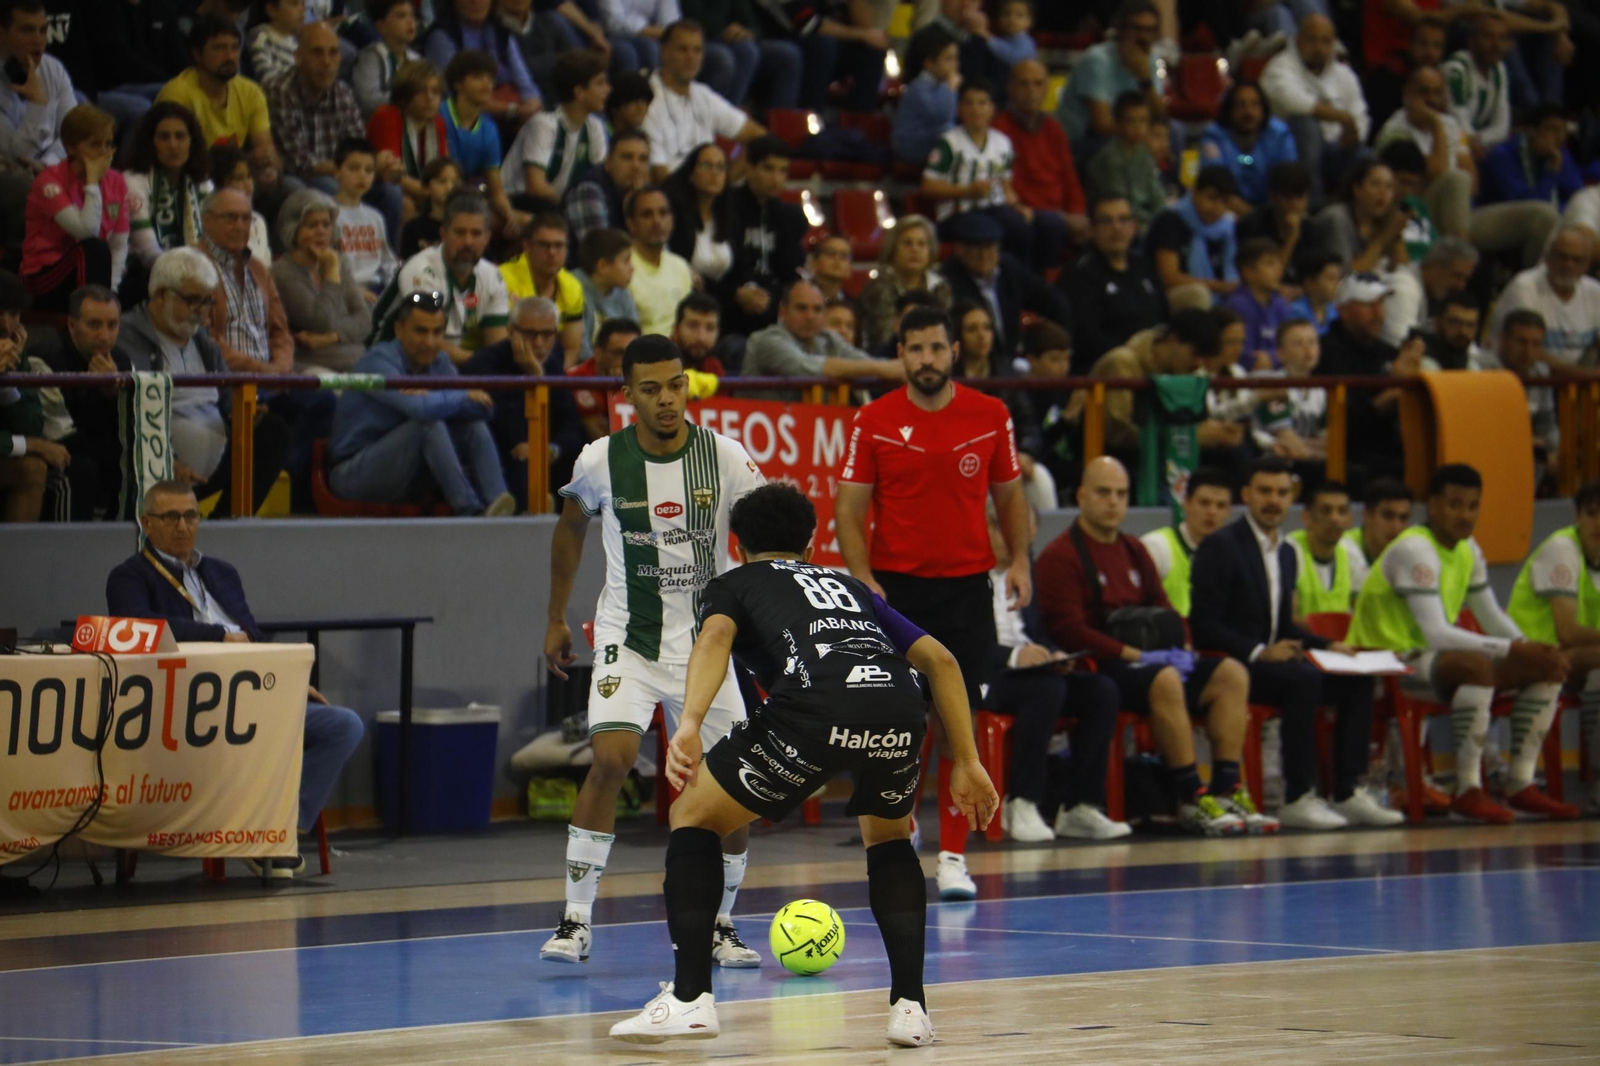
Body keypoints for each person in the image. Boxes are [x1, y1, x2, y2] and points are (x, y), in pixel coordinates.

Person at [606, 482, 993, 1047]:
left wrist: (688, 722)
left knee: (694, 815)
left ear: (738, 546)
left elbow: (714, 636)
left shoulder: (734, 583)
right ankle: (911, 1010)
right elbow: (941, 660)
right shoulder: (849, 584)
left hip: (812, 711)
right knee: (888, 840)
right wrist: (967, 760)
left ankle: (690, 1000)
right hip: (898, 710)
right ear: (811, 547)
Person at [542, 334, 767, 969]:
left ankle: (722, 923)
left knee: (730, 780)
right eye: (651, 389)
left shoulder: (724, 457)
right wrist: (556, 616)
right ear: (627, 395)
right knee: (611, 758)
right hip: (628, 639)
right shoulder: (599, 460)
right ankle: (575, 919)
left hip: (707, 646)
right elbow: (569, 528)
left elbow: (766, 534)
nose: (666, 399)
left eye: (676, 385)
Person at [835, 305, 1030, 899]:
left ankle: (953, 856)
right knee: (899, 722)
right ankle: (904, 834)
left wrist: (1020, 559)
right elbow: (849, 507)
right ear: (900, 354)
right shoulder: (873, 420)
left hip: (967, 589)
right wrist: (863, 576)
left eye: (936, 348)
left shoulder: (991, 414)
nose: (926, 359)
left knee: (957, 725)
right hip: (896, 591)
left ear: (954, 352)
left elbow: (1010, 494)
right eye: (915, 349)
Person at [105, 478, 364, 875]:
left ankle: (277, 830)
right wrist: (217, 636)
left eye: (191, 515)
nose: (182, 526)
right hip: (193, 707)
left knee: (342, 725)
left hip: (256, 693)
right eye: (170, 516)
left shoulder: (222, 572)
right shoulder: (130, 577)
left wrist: (288, 676)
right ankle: (269, 840)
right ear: (147, 523)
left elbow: (252, 637)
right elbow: (142, 627)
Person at [1034, 456, 1266, 835]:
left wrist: (1185, 646)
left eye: (1121, 494)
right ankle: (1192, 797)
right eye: (1103, 492)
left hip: (1151, 663)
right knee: (1165, 679)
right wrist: (1138, 656)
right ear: (1081, 496)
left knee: (1231, 674)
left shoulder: (1133, 550)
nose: (1113, 502)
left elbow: (1166, 609)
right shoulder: (1060, 557)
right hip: (1103, 666)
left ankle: (1227, 789)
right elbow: (1071, 631)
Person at [1348, 463, 1576, 821]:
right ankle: (1468, 788)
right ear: (1433, 506)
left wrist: (1529, 646)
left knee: (1550, 666)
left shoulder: (1469, 548)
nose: (1465, 515)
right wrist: (1514, 648)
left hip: (1425, 659)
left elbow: (1490, 616)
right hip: (1384, 661)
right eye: (1455, 504)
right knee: (1476, 664)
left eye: (1472, 506)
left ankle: (1519, 782)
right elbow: (1436, 632)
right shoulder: (1415, 550)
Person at [1192, 457, 1400, 830]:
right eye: (1265, 491)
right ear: (1247, 495)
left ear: (1291, 498)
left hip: (1275, 663)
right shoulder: (1221, 546)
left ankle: (1347, 792)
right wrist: (1259, 651)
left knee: (1355, 678)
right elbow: (1204, 626)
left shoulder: (1287, 553)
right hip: (1235, 667)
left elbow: (1284, 624)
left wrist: (1328, 645)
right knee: (1304, 679)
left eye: (1282, 492)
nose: (1274, 500)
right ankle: (1298, 795)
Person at [113, 247, 290, 517]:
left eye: (208, 302)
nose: (202, 312)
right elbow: (133, 410)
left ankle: (227, 526)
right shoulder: (126, 336)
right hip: (160, 466)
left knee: (274, 430)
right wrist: (166, 459)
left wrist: (241, 413)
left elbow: (227, 391)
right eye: (193, 301)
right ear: (161, 294)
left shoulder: (201, 339)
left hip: (214, 461)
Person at [328, 290, 514, 515]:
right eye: (421, 331)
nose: (430, 342)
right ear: (399, 330)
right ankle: (470, 511)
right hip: (354, 471)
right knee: (427, 425)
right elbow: (421, 410)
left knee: (473, 427)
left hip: (408, 469)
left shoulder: (440, 362)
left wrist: (434, 396)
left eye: (437, 333)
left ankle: (499, 504)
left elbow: (483, 409)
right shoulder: (378, 361)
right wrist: (461, 394)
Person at [1506, 480, 1600, 812]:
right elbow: (1569, 631)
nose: (1599, 523)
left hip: (1575, 661)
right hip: (1530, 656)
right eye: (1592, 513)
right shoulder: (1562, 550)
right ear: (1578, 515)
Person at [461, 296, 584, 508]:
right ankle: (533, 513)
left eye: (547, 334)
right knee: (522, 457)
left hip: (543, 454)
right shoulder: (484, 364)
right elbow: (502, 427)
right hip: (502, 456)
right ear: (511, 331)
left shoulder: (553, 363)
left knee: (584, 456)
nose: (539, 343)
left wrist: (551, 448)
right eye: (530, 334)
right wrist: (535, 377)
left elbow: (571, 425)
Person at [371, 191, 511, 362]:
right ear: (443, 234)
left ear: (487, 238)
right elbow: (427, 341)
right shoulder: (421, 271)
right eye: (460, 233)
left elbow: (497, 343)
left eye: (476, 234)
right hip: (390, 356)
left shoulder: (491, 276)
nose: (468, 241)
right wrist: (481, 363)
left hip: (443, 363)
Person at [19, 104, 129, 312]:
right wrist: (92, 183)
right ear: (71, 147)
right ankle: (91, 316)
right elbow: (85, 232)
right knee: (93, 248)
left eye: (109, 144)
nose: (105, 153)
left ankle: (101, 309)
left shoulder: (117, 182)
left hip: (89, 272)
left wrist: (111, 291)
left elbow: (119, 245)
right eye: (96, 145)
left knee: (140, 286)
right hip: (43, 276)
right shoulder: (49, 180)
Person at [156, 17, 279, 191]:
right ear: (197, 54)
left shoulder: (251, 91)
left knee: (288, 188)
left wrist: (267, 164)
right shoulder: (177, 95)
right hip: (194, 181)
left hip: (240, 177)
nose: (229, 56)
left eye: (234, 48)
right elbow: (179, 160)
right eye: (219, 48)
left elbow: (265, 148)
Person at [1260, 13, 1368, 210]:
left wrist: (1352, 134)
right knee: (1306, 126)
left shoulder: (1345, 75)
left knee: (1367, 158)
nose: (1319, 48)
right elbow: (1292, 101)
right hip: (1289, 153)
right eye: (1312, 40)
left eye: (1325, 41)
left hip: (1337, 149)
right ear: (1299, 40)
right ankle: (1312, 208)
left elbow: (1359, 114)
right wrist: (1341, 117)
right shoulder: (1279, 67)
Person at [923, 79, 1035, 267]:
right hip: (958, 214)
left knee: (1025, 226)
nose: (975, 109)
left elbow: (1006, 185)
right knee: (990, 229)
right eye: (969, 103)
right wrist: (968, 191)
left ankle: (1017, 281)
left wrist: (1018, 206)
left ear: (992, 109)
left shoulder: (1003, 143)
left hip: (995, 208)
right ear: (960, 108)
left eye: (982, 103)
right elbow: (928, 186)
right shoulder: (949, 143)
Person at [1315, 272, 1412, 487]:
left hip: (1387, 447)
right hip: (1347, 451)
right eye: (1369, 306)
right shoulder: (1325, 353)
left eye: (1381, 304)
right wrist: (1381, 401)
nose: (1379, 314)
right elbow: (1336, 420)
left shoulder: (1389, 353)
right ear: (1343, 311)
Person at [1079, 306, 1215, 454]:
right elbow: (1118, 434)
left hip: (1161, 453)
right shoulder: (1122, 362)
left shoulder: (1185, 372)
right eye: (1196, 354)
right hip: (1114, 457)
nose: (1199, 364)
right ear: (1173, 340)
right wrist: (1192, 437)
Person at [641, 20, 764, 182]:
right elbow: (658, 173)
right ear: (664, 52)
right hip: (671, 198)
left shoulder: (702, 94)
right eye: (682, 49)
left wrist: (726, 182)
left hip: (707, 196)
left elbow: (759, 136)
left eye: (697, 50)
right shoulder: (646, 97)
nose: (691, 57)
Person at [939, 211, 1070, 359]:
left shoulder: (1009, 269)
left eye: (989, 247)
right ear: (959, 249)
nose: (983, 255)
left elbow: (1052, 301)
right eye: (976, 248)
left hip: (1011, 360)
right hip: (971, 362)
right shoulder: (948, 279)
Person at [46, 285, 129, 518]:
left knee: (137, 462)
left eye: (112, 325)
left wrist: (114, 394)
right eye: (94, 325)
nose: (105, 336)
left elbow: (132, 425)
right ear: (72, 325)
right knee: (84, 468)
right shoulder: (46, 359)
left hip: (98, 447)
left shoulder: (121, 360)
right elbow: (62, 433)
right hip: (60, 450)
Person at [741, 280, 903, 398]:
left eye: (817, 309)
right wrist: (885, 368)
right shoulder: (766, 340)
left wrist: (891, 368)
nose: (810, 316)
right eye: (801, 308)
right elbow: (806, 367)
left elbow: (864, 361)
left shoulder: (828, 339)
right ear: (783, 312)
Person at [271, 188, 372, 373]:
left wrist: (328, 338)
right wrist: (331, 273)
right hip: (313, 365)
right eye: (312, 225)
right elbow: (320, 320)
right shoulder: (283, 272)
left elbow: (364, 320)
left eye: (326, 225)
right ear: (293, 229)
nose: (321, 231)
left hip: (357, 358)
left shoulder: (340, 261)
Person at [1061, 195, 1165, 371]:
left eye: (1123, 220)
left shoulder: (1144, 266)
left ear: (1134, 227)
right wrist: (1138, 350)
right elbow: (1087, 340)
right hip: (1108, 364)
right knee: (1122, 360)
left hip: (1155, 354)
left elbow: (1164, 314)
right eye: (1106, 221)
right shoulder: (1079, 274)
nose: (1116, 228)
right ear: (1092, 229)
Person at [196, 188, 293, 376]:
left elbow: (280, 332)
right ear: (207, 221)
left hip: (270, 376)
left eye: (246, 218)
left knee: (321, 398)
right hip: (225, 380)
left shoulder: (258, 268)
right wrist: (260, 370)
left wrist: (281, 367)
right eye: (231, 218)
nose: (240, 226)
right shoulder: (193, 266)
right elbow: (205, 339)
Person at [994, 59, 1088, 249]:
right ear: (1010, 88)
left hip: (1060, 214)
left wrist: (1078, 212)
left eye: (1038, 83)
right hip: (1028, 215)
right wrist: (1061, 217)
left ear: (1046, 88)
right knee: (1050, 225)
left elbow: (1069, 178)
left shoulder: (1054, 129)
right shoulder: (999, 130)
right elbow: (1008, 187)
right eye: (1024, 84)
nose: (1031, 90)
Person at [718, 136, 805, 339]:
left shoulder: (789, 216)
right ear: (749, 168)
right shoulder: (726, 208)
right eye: (768, 168)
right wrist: (736, 292)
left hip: (774, 311)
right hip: (732, 310)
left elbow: (791, 271)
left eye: (783, 170)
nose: (776, 178)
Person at [1057, 0, 1166, 160]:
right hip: (1081, 139)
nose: (1144, 37)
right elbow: (1101, 124)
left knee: (1173, 132)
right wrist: (1143, 135)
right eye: (1137, 28)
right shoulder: (1097, 60)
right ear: (1121, 30)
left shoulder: (1150, 60)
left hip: (1126, 131)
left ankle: (1167, 184)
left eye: (1150, 30)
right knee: (1116, 144)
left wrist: (1145, 80)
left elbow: (1160, 116)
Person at [501, 49, 608, 207]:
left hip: (555, 204)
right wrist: (574, 206)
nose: (607, 90)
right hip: (518, 202)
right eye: (600, 83)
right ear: (579, 92)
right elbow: (535, 187)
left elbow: (601, 180)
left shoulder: (594, 126)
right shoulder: (543, 124)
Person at [1484, 225, 1600, 369]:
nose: (1568, 265)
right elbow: (1527, 353)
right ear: (1547, 257)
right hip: (1518, 378)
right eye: (1562, 256)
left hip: (1574, 385)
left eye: (1577, 260)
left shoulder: (1595, 292)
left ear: (1587, 265)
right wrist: (1583, 376)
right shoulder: (1524, 286)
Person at [122, 102, 213, 283]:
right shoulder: (133, 180)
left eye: (180, 136)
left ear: (191, 141)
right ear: (150, 142)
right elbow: (147, 250)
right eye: (164, 137)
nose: (173, 145)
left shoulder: (202, 181)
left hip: (196, 274)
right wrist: (187, 275)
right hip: (144, 275)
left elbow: (215, 238)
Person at [440, 50, 524, 236]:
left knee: (528, 224)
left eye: (490, 78)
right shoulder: (440, 115)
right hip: (439, 196)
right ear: (458, 84)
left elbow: (496, 189)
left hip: (469, 198)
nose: (487, 84)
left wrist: (509, 214)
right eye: (478, 77)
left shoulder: (489, 129)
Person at [423, 0, 542, 123]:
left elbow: (525, 81)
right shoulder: (441, 36)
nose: (476, 2)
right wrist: (511, 109)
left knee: (542, 122)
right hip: (468, 120)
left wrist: (531, 103)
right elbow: (455, 96)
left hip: (514, 113)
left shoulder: (499, 29)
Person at [1140, 466, 1234, 618]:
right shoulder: (1157, 547)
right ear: (1186, 503)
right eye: (1204, 503)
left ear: (1229, 511)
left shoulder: (1233, 555)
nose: (1212, 512)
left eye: (1220, 506)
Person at [0, 0, 77, 178]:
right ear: (2, 32)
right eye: (26, 30)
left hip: (50, 171)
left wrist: (46, 165)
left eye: (42, 30)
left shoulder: (52, 68)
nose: (38, 40)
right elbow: (17, 158)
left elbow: (75, 134)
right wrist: (38, 105)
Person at [364, 59, 447, 223]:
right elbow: (392, 172)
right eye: (422, 92)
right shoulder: (387, 116)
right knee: (406, 204)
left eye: (435, 92)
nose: (430, 98)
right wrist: (430, 193)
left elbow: (443, 168)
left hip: (422, 189)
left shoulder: (438, 123)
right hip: (379, 186)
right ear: (405, 95)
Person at [1200, 82, 1299, 215]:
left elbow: (1288, 182)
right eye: (1241, 105)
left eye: (1255, 105)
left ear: (1263, 108)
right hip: (1228, 212)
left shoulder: (1280, 134)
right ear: (1229, 109)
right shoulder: (1213, 136)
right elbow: (1215, 184)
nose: (1248, 112)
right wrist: (1251, 217)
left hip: (1272, 211)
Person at [857, 215, 951, 353]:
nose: (915, 249)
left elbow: (947, 334)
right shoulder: (878, 288)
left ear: (930, 251)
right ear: (893, 249)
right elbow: (883, 336)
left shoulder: (940, 287)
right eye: (907, 243)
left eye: (921, 244)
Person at [1147, 165, 1239, 305]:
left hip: (1218, 296)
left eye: (1224, 202)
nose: (1217, 207)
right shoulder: (1171, 220)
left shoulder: (1227, 229)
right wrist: (1219, 287)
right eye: (1212, 198)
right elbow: (1168, 277)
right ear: (1195, 191)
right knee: (1198, 295)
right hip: (1166, 296)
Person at [499, 213, 586, 359]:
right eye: (544, 245)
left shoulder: (572, 286)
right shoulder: (502, 280)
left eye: (558, 245)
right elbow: (501, 342)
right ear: (526, 245)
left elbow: (572, 349)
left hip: (552, 368)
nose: (552, 252)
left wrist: (554, 378)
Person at [1494, 309, 1561, 492]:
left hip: (1533, 452)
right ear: (1503, 340)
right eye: (1521, 342)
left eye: (1535, 344)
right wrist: (1524, 441)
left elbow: (1547, 424)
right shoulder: (1485, 370)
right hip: (1495, 450)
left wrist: (1552, 451)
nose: (1528, 351)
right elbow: (1488, 428)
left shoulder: (1541, 373)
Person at [1083, 91, 1167, 232]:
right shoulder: (1110, 158)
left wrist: (1163, 217)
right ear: (1118, 123)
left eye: (1143, 120)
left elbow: (1156, 193)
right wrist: (1153, 223)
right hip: (1116, 220)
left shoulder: (1144, 153)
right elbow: (1121, 203)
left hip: (1144, 217)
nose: (1138, 127)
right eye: (1131, 121)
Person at [1252, 318, 1330, 468]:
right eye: (1298, 343)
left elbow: (1330, 444)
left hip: (1310, 463)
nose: (1308, 349)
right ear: (1280, 353)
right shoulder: (1272, 384)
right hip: (1272, 463)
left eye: (1312, 342)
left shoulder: (1322, 391)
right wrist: (1317, 452)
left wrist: (1310, 448)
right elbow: (1287, 441)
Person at [1479, 104, 1583, 209]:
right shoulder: (1502, 157)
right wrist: (1551, 171)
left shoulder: (1560, 153)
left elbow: (1577, 196)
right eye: (1553, 129)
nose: (1560, 137)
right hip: (1500, 217)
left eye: (1563, 130)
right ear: (1531, 131)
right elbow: (1529, 207)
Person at [1289, 479, 1368, 618]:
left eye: (1342, 511)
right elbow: (1289, 619)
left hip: (1342, 639)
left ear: (1350, 519)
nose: (1334, 518)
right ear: (1306, 517)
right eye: (1326, 511)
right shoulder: (1289, 550)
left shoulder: (1350, 550)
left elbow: (1363, 612)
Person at [330, 137, 399, 295]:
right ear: (336, 171)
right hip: (346, 291)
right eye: (354, 168)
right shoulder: (328, 213)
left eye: (368, 170)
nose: (362, 175)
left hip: (377, 287)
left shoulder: (375, 217)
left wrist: (394, 288)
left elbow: (387, 261)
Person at [663, 142, 735, 291]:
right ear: (691, 173)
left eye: (720, 167)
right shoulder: (674, 213)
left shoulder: (730, 213)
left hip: (725, 298)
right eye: (707, 166)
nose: (714, 173)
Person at [1441, 11, 1512, 159]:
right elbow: (1459, 122)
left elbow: (1502, 125)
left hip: (1477, 145)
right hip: (1447, 144)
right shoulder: (1455, 70)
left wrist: (1480, 141)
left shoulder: (1499, 68)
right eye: (1488, 36)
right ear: (1471, 41)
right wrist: (1475, 142)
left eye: (1502, 38)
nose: (1496, 45)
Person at [624, 185, 693, 337]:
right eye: (647, 214)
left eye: (663, 213)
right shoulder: (621, 268)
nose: (657, 221)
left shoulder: (680, 266)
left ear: (672, 220)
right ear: (631, 224)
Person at [564, 128, 650, 249]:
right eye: (627, 157)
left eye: (643, 159)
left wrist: (638, 203)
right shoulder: (589, 189)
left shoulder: (642, 194)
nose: (636, 166)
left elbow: (656, 247)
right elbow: (600, 250)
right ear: (608, 162)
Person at [1235, 161, 1312, 288]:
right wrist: (1292, 237)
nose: (1294, 204)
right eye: (1287, 197)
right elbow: (1264, 278)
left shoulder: (1309, 228)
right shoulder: (1252, 226)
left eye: (1300, 197)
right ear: (1273, 196)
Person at [892, 26, 959, 166]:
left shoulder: (941, 84)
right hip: (910, 145)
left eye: (955, 59)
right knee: (949, 131)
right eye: (948, 59)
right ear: (929, 63)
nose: (954, 65)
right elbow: (944, 116)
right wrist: (951, 89)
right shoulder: (918, 88)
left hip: (931, 138)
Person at [1224, 237, 1294, 369]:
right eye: (1270, 264)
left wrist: (1273, 358)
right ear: (1248, 272)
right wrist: (1280, 357)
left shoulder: (1281, 305)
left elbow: (1292, 350)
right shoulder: (1237, 306)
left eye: (1279, 264)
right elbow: (1245, 357)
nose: (1278, 270)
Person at [568, 316, 639, 440]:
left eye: (634, 353)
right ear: (598, 353)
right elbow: (605, 440)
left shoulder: (646, 378)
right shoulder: (578, 380)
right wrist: (618, 390)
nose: (628, 361)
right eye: (619, 353)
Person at [574, 227, 640, 356]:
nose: (632, 268)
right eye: (626, 261)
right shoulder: (574, 290)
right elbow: (580, 352)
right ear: (603, 266)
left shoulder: (623, 293)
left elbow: (635, 342)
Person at [351, 0, 421, 116]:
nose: (410, 21)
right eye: (401, 16)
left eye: (412, 15)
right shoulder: (371, 57)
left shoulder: (417, 60)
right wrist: (408, 99)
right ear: (381, 26)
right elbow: (367, 100)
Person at [399, 157, 460, 260]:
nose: (449, 187)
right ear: (426, 187)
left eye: (454, 182)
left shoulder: (466, 225)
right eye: (442, 182)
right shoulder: (413, 228)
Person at [1423, 289, 1486, 371]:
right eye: (1455, 323)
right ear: (1437, 322)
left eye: (1470, 325)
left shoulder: (1472, 366)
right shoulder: (1422, 360)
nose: (1463, 331)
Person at [247, 0, 305, 86]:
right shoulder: (261, 40)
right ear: (272, 10)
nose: (302, 10)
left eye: (303, 4)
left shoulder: (297, 42)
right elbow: (268, 81)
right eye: (294, 4)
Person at [1288, 249, 1342, 334]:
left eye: (1338, 278)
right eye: (1331, 278)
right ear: (1310, 283)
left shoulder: (1337, 313)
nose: (1337, 284)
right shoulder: (1293, 313)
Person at [671, 291, 725, 376]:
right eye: (692, 326)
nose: (701, 337)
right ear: (676, 330)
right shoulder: (655, 365)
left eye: (710, 328)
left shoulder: (713, 367)